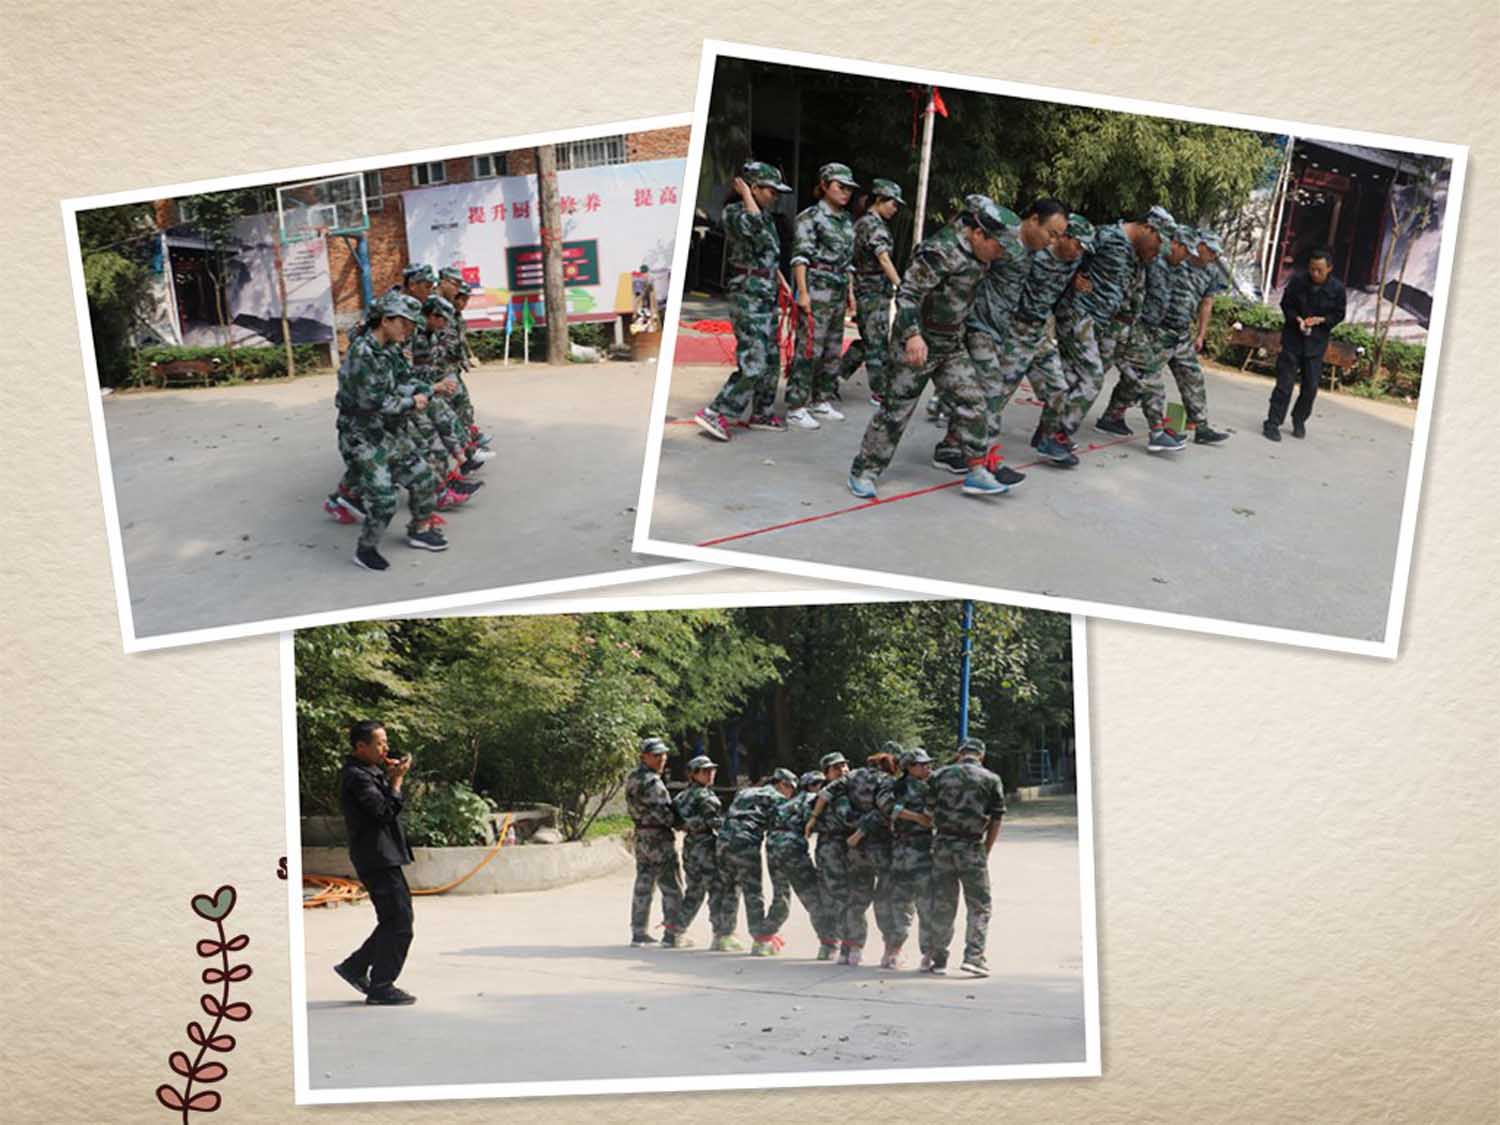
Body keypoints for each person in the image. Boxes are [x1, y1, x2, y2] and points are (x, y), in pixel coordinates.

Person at [847, 195, 1023, 501]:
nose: (1001, 254)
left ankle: (977, 470)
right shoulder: (941, 251)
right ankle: (864, 471)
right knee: (896, 411)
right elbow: (908, 294)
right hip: (917, 342)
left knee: (974, 403)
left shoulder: (982, 251)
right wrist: (913, 336)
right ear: (978, 234)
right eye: (999, 246)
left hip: (950, 343)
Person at [933, 197, 1067, 477]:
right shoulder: (1003, 239)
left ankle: (951, 447)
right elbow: (972, 215)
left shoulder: (1032, 251)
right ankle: (985, 461)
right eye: (1051, 233)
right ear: (1033, 220)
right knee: (993, 391)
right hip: (977, 326)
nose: (1053, 241)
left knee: (983, 394)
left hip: (1002, 330)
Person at [1039, 205, 1182, 464]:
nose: (1157, 249)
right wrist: (1073, 279)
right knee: (1092, 377)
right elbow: (1068, 251)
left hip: (1100, 323)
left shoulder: (1136, 253)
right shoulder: (1106, 236)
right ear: (1148, 228)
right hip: (1078, 314)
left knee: (1071, 377)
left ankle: (1046, 432)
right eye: (1158, 241)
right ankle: (1057, 436)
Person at [338, 293, 448, 571]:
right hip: (362, 437)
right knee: (385, 500)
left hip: (389, 431)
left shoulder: (390, 348)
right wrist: (412, 402)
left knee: (424, 478)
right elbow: (372, 403)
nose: (409, 330)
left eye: (411, 325)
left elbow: (402, 381)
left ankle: (419, 530)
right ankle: (366, 549)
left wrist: (427, 390)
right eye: (404, 323)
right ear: (386, 320)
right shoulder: (362, 353)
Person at [1098, 227, 1231, 444]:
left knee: (1192, 377)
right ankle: (1113, 416)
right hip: (1156, 331)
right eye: (1211, 251)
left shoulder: (1210, 272)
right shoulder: (1170, 260)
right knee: (1141, 378)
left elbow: (1207, 303)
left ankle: (1202, 427)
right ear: (1200, 246)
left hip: (1181, 333)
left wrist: (1201, 334)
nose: (1214, 256)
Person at [693, 162, 795, 441]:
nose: (775, 197)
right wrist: (746, 195)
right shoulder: (735, 213)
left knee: (771, 358)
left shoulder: (764, 215)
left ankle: (762, 412)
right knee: (754, 359)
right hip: (748, 294)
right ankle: (717, 411)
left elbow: (768, 253)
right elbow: (754, 227)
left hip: (766, 293)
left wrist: (781, 281)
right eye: (771, 191)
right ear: (753, 188)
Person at [1084, 221, 1196, 459]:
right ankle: (1052, 430)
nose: (1156, 253)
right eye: (1156, 247)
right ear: (1148, 230)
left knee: (1149, 374)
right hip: (1109, 326)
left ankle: (1156, 432)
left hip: (1130, 329)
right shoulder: (1111, 240)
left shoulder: (1142, 257)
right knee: (1086, 378)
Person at [333, 720, 417, 1005]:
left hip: (383, 855)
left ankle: (355, 967)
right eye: (380, 743)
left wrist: (391, 776)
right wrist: (396, 782)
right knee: (399, 921)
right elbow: (383, 811)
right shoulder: (357, 777)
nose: (386, 748)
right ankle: (382, 985)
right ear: (361, 747)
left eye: (386, 742)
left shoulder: (369, 772)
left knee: (394, 919)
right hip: (376, 857)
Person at [785, 162, 859, 430]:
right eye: (841, 186)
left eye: (849, 188)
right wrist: (803, 293)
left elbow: (848, 261)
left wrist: (850, 293)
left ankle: (821, 399)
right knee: (809, 349)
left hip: (838, 289)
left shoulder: (846, 220)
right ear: (825, 185)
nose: (846, 192)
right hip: (816, 289)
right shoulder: (811, 217)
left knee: (832, 349)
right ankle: (796, 405)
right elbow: (800, 257)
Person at [926, 737, 1005, 977]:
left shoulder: (939, 776)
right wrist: (986, 849)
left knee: (943, 904)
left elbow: (928, 812)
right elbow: (996, 818)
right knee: (979, 906)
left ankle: (939, 959)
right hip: (971, 847)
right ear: (981, 755)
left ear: (960, 754)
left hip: (942, 847)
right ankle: (974, 957)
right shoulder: (991, 779)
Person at [1265, 247, 1347, 441]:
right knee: (1284, 385)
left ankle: (1299, 419)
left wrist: (1322, 320)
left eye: (1319, 270)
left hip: (1316, 344)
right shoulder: (1298, 282)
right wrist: (1297, 319)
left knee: (1310, 387)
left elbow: (1339, 314)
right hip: (1293, 340)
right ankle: (1273, 423)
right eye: (1312, 269)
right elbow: (1286, 305)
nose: (1315, 274)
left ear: (1329, 269)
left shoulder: (1337, 289)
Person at [829, 748, 901, 967]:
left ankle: (852, 950)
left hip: (856, 850)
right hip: (881, 848)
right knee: (884, 900)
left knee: (856, 900)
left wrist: (857, 830)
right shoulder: (887, 781)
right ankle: (890, 953)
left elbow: (841, 811)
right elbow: (886, 810)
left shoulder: (849, 779)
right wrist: (867, 827)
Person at [838, 179, 906, 406]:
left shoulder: (861, 223)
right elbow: (883, 259)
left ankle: (835, 375)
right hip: (873, 290)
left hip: (866, 288)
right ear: (879, 200)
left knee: (869, 339)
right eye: (893, 204)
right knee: (877, 342)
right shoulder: (874, 226)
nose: (895, 209)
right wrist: (900, 285)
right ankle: (880, 391)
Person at [717, 768, 798, 955]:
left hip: (723, 841)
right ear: (782, 784)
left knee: (729, 888)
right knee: (753, 891)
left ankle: (725, 936)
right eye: (791, 788)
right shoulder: (777, 798)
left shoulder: (745, 792)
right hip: (745, 843)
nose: (790, 794)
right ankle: (760, 941)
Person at [624, 737, 691, 948]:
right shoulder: (652, 781)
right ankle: (673, 934)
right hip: (658, 838)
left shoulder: (633, 777)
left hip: (641, 836)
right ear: (644, 756)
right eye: (656, 755)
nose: (662, 758)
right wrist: (682, 824)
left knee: (643, 885)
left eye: (663, 754)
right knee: (671, 886)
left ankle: (638, 932)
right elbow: (664, 812)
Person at [765, 771, 837, 953]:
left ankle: (763, 938)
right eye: (820, 784)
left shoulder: (788, 802)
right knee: (813, 898)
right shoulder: (812, 799)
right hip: (792, 850)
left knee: (780, 896)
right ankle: (828, 944)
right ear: (813, 786)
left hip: (773, 847)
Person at [674, 755, 738, 950]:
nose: (710, 774)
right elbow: (714, 822)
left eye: (712, 770)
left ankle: (676, 932)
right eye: (705, 771)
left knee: (694, 891)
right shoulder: (705, 796)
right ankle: (721, 936)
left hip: (690, 845)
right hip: (706, 847)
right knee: (717, 890)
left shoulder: (681, 796)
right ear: (694, 774)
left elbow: (675, 820)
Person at [882, 747, 936, 970]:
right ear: (909, 767)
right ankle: (902, 952)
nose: (927, 767)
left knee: (910, 904)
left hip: (912, 850)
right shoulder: (898, 786)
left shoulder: (930, 785)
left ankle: (920, 953)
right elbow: (885, 806)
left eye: (928, 764)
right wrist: (917, 817)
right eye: (922, 764)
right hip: (909, 851)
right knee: (914, 903)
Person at [803, 751, 853, 961]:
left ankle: (834, 943)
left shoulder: (840, 792)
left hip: (836, 847)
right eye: (836, 768)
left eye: (844, 766)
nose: (843, 770)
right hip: (833, 848)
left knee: (836, 896)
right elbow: (848, 819)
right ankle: (839, 944)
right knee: (836, 897)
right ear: (826, 773)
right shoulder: (830, 796)